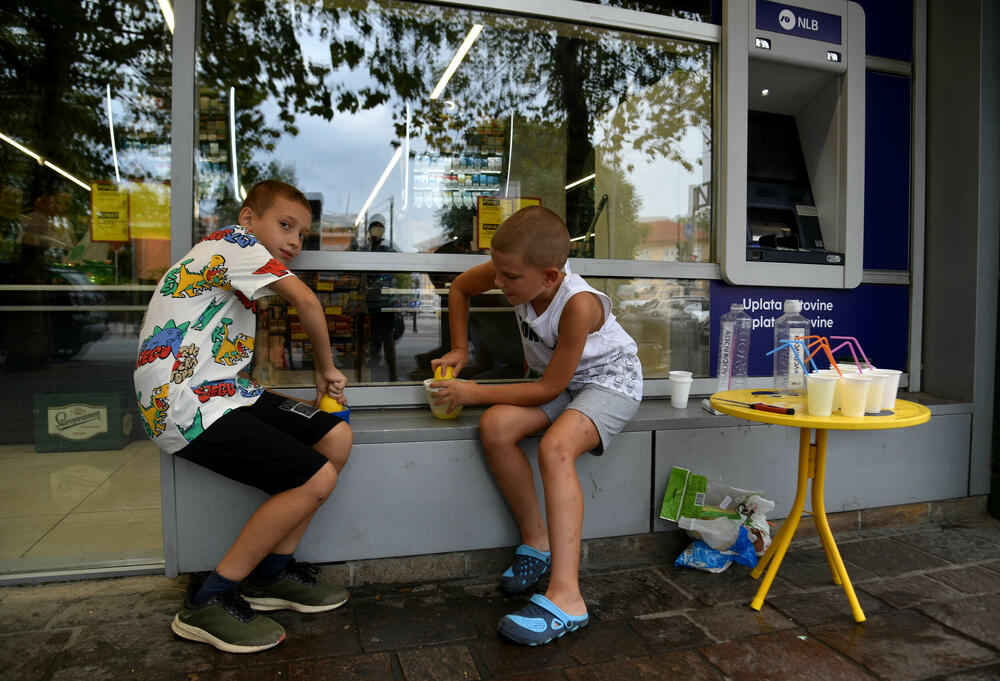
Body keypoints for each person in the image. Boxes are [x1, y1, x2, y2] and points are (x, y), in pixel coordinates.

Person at [133, 179, 352, 653]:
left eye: (303, 234)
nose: (295, 240)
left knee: (334, 436)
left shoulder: (234, 260)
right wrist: (326, 370)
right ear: (249, 219)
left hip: (227, 393)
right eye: (286, 225)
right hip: (183, 405)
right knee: (315, 478)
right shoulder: (235, 243)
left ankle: (272, 575)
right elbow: (309, 302)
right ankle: (209, 599)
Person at [430, 205, 642, 646]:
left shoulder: (577, 305)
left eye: (509, 278)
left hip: (610, 382)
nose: (499, 282)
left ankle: (567, 598)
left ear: (548, 276)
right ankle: (536, 543)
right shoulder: (514, 269)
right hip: (566, 385)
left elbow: (548, 388)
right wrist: (458, 348)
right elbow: (459, 290)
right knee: (496, 426)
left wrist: (471, 392)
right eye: (499, 272)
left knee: (556, 447)